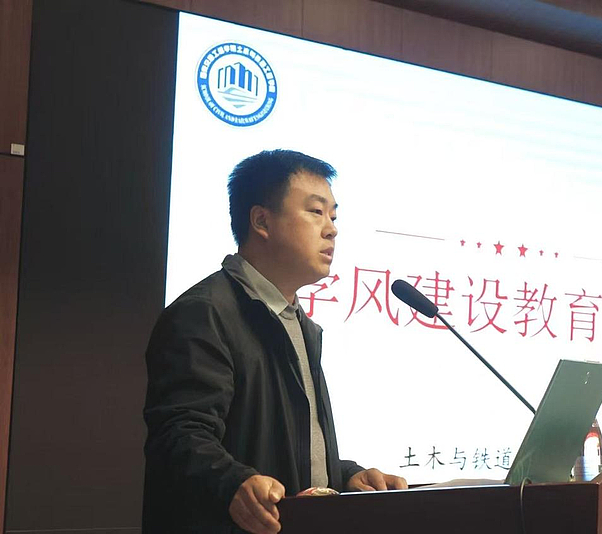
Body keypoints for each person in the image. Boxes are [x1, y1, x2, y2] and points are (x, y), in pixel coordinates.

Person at [142, 149, 407, 533]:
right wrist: (233, 483)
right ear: (262, 221)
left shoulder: (297, 322)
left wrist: (346, 475)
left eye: (333, 216)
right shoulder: (205, 313)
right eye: (316, 212)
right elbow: (179, 436)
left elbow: (286, 451)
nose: (331, 229)